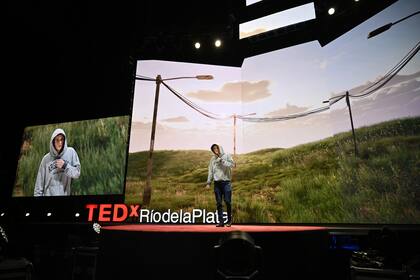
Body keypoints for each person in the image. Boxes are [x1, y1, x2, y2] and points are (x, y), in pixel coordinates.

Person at [34, 128, 81, 196]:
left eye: (62, 139)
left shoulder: (71, 152)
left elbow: (77, 173)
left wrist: (65, 166)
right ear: (53, 141)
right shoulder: (46, 159)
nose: (60, 143)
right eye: (57, 140)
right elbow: (38, 186)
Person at [206, 144, 235, 227]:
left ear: (220, 148)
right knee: (219, 203)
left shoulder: (227, 155)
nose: (215, 150)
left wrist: (222, 160)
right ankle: (221, 222)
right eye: (213, 149)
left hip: (226, 183)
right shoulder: (212, 159)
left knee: (227, 201)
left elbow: (233, 165)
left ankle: (229, 220)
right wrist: (208, 182)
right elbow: (210, 171)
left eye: (216, 148)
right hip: (217, 184)